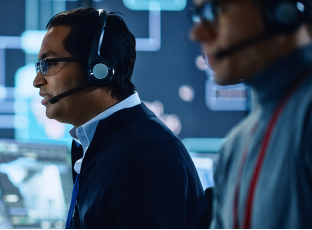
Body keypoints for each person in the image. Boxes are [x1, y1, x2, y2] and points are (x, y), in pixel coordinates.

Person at [189, 0, 312, 228]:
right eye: (197, 15)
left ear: (282, 10)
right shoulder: (235, 147)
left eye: (214, 10)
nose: (197, 33)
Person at [35, 7, 207, 228]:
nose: (38, 80)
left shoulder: (147, 157)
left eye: (49, 64)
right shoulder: (98, 143)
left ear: (98, 68)